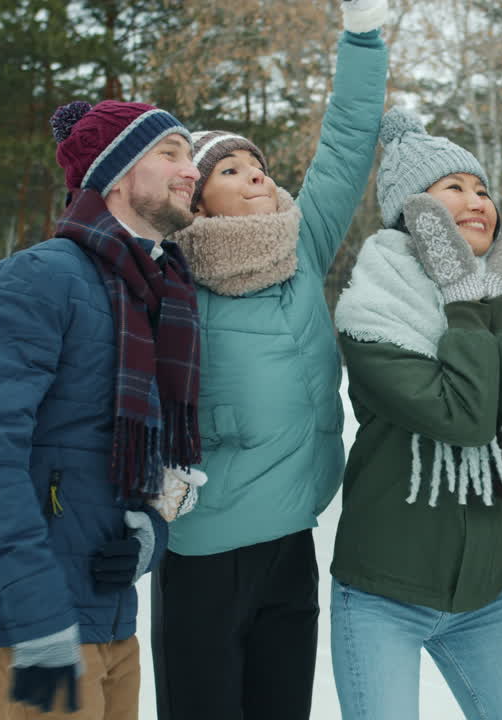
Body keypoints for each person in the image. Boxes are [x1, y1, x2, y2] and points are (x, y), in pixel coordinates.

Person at [148, 2, 389, 717]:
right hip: (205, 546)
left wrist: (363, 36)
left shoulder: (299, 248)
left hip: (293, 536)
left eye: (256, 163)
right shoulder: (170, 273)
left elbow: (346, 142)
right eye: (229, 168)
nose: (254, 174)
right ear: (197, 195)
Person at [0, 99, 203, 718]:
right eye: (169, 153)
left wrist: (150, 538)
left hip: (110, 621)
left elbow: (156, 459)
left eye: (190, 155)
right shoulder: (36, 280)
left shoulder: (160, 298)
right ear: (113, 176)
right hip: (34, 629)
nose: (190, 170)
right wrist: (39, 620)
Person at [328, 107, 502, 719]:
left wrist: (494, 300)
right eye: (453, 188)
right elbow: (461, 418)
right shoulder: (374, 314)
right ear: (413, 212)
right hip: (383, 595)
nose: (478, 200)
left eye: (482, 188)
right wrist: (470, 303)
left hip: (487, 597)